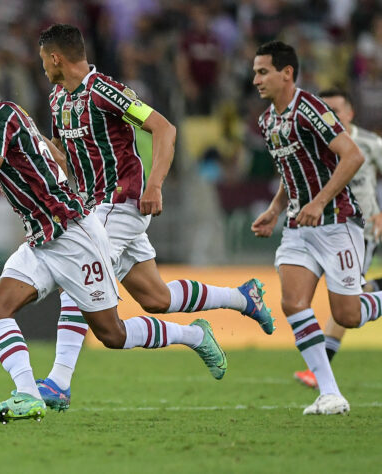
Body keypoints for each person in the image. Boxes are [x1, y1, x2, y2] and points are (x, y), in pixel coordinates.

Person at [0, 60, 229, 424]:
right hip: (43, 238)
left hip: (73, 234)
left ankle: (192, 336)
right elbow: (54, 155)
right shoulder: (15, 115)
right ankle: (28, 394)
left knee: (113, 333)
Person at [35, 23, 274, 412]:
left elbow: (164, 128)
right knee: (156, 298)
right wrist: (44, 153)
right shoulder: (58, 100)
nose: (42, 65)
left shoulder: (104, 90)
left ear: (56, 57)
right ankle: (236, 302)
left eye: (44, 58)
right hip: (93, 209)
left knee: (78, 275)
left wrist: (156, 184)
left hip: (121, 203)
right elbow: (69, 159)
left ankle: (59, 383)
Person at [251, 41, 382, 415]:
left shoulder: (310, 107)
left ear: (286, 73)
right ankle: (329, 393)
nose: (255, 79)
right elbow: (289, 172)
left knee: (347, 316)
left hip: (337, 222)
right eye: (255, 71)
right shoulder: (267, 121)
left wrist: (320, 200)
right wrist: (276, 209)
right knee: (293, 303)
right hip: (297, 226)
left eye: (263, 71)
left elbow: (352, 155)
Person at [293, 88, 382, 388]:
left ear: (351, 113)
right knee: (348, 297)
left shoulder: (369, 144)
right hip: (323, 231)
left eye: (336, 110)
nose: (330, 116)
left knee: (346, 301)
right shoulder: (312, 145)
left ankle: (319, 372)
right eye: (324, 110)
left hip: (360, 230)